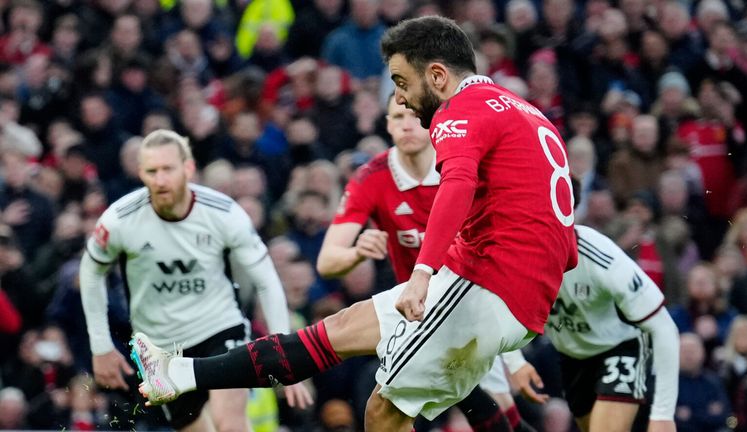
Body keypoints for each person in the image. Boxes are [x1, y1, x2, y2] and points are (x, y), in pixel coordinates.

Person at [130, 16, 577, 432]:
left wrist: (423, 273)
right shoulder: (524, 111)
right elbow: (564, 237)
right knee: (339, 332)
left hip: (484, 281)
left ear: (438, 76)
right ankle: (177, 372)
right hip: (509, 288)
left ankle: (176, 373)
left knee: (382, 410)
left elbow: (457, 184)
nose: (400, 97)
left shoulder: (460, 110)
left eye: (402, 83)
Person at [316, 94, 532, 431]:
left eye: (413, 116)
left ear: (432, 122)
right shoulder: (371, 177)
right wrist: (357, 252)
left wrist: (514, 358)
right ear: (386, 125)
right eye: (396, 117)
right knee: (392, 406)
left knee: (499, 410)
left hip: (477, 305)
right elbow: (328, 262)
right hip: (419, 317)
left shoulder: (462, 167)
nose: (406, 124)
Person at [79, 129, 312, 431]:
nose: (160, 179)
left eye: (168, 169)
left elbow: (267, 279)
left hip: (219, 327)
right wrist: (100, 346)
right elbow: (90, 270)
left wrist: (282, 350)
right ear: (140, 173)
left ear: (188, 168)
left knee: (231, 424)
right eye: (152, 171)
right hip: (159, 346)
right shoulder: (120, 220)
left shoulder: (224, 213)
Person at [508, 218, 679, 430]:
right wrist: (514, 362)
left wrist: (663, 414)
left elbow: (664, 326)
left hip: (621, 345)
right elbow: (501, 308)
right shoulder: (517, 254)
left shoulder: (600, 256)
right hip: (572, 356)